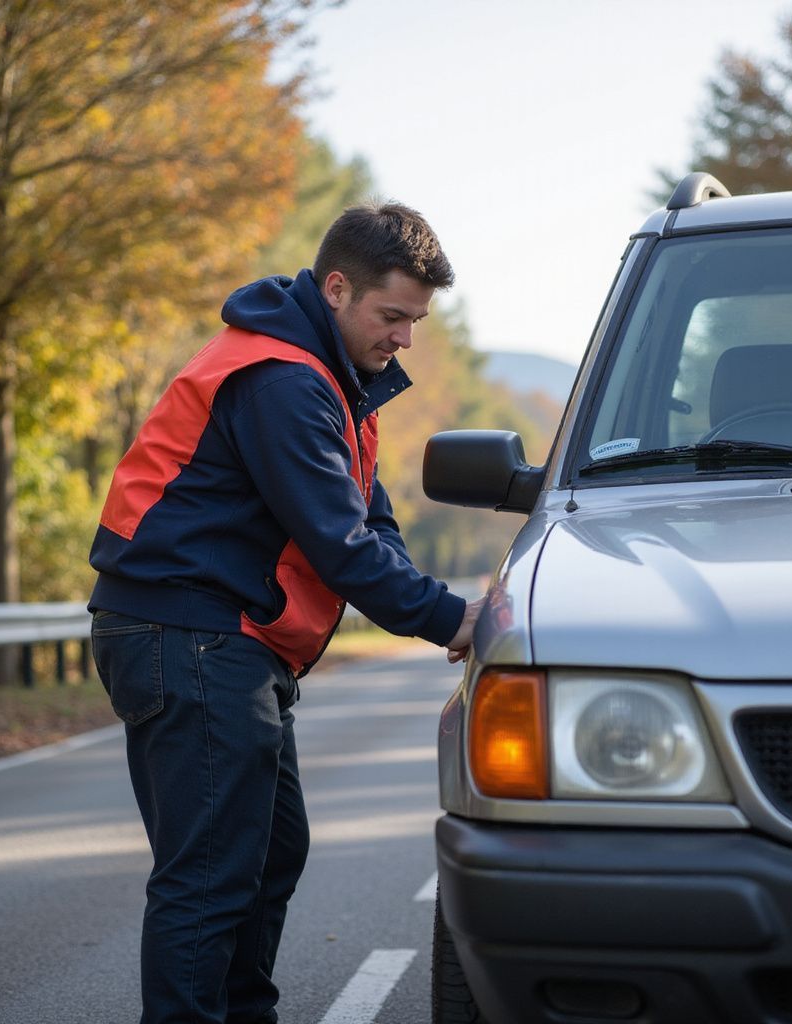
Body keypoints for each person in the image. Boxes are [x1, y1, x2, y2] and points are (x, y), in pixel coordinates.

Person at [87, 202, 484, 1024]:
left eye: (415, 321)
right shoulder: (284, 381)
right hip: (188, 632)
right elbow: (340, 545)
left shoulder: (327, 376)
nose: (405, 338)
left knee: (270, 852)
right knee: (209, 875)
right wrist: (452, 619)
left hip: (225, 637)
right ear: (337, 288)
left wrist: (441, 606)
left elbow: (370, 519)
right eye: (394, 316)